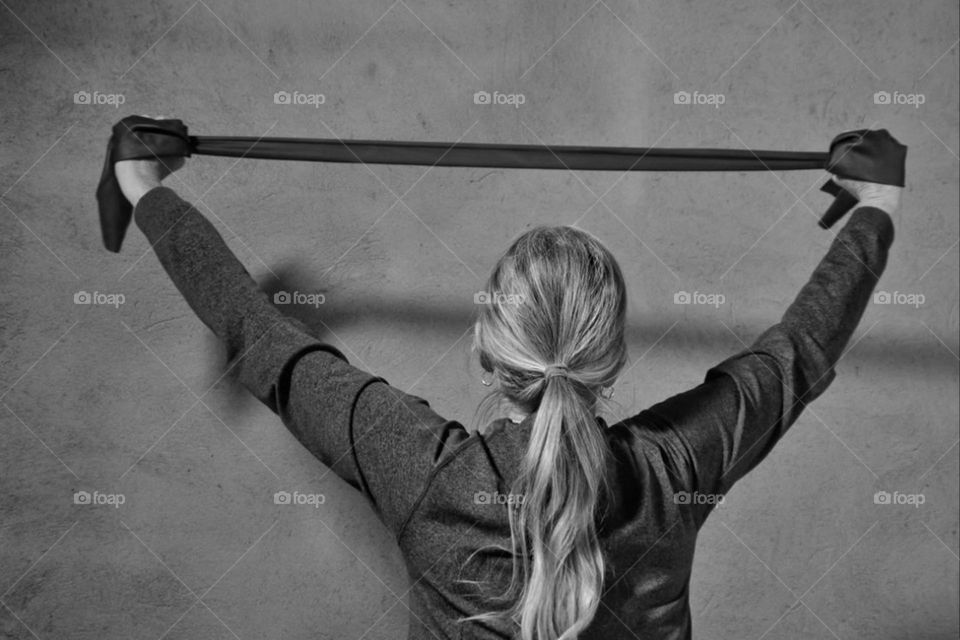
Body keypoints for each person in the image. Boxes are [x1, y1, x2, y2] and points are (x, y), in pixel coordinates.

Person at [114, 128, 901, 639]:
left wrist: (145, 187)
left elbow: (263, 338)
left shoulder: (422, 470)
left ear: (489, 352)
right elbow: (795, 355)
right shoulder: (675, 469)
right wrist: (877, 208)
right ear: (612, 361)